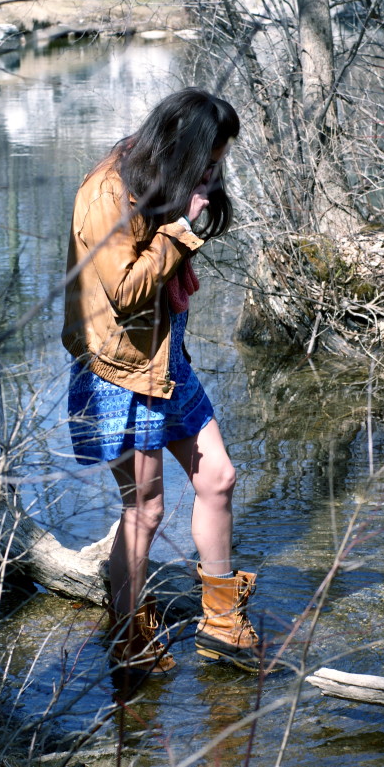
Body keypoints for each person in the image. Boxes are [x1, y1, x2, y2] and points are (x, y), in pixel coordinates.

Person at [62, 88, 261, 676]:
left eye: (219, 161)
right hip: (120, 371)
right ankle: (128, 637)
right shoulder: (106, 192)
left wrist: (188, 213)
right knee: (144, 510)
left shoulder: (160, 179)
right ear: (185, 147)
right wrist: (182, 229)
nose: (215, 170)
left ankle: (221, 622)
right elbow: (124, 291)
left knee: (218, 477)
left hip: (164, 360)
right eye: (211, 159)